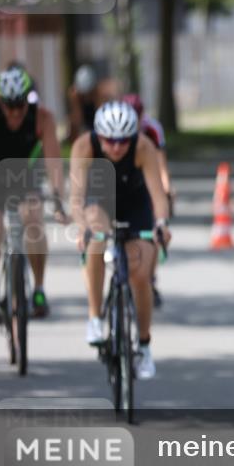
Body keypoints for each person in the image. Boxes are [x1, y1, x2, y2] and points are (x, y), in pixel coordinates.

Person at [70, 100, 172, 380]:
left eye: (122, 141)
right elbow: (77, 199)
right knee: (96, 235)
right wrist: (82, 227)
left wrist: (161, 223)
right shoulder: (84, 147)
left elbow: (158, 196)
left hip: (135, 203)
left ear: (132, 137)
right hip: (99, 201)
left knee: (140, 274)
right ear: (99, 136)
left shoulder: (143, 147)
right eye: (110, 141)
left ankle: (144, 344)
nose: (116, 147)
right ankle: (94, 317)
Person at [0, 67, 67, 325]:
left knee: (34, 223)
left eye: (20, 106)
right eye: (9, 106)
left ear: (28, 100)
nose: (15, 113)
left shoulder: (42, 117)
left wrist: (57, 201)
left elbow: (54, 162)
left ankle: (39, 289)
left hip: (25, 180)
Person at [124, 93, 174, 307]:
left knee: (154, 231)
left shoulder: (152, 129)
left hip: (148, 179)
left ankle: (149, 276)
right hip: (124, 184)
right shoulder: (118, 130)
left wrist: (167, 188)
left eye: (137, 116)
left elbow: (161, 164)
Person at [66, 64, 101, 143]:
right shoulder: (75, 97)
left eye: (89, 92)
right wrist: (75, 102)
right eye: (84, 93)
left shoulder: (98, 95)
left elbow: (101, 117)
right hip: (83, 126)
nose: (87, 96)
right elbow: (77, 121)